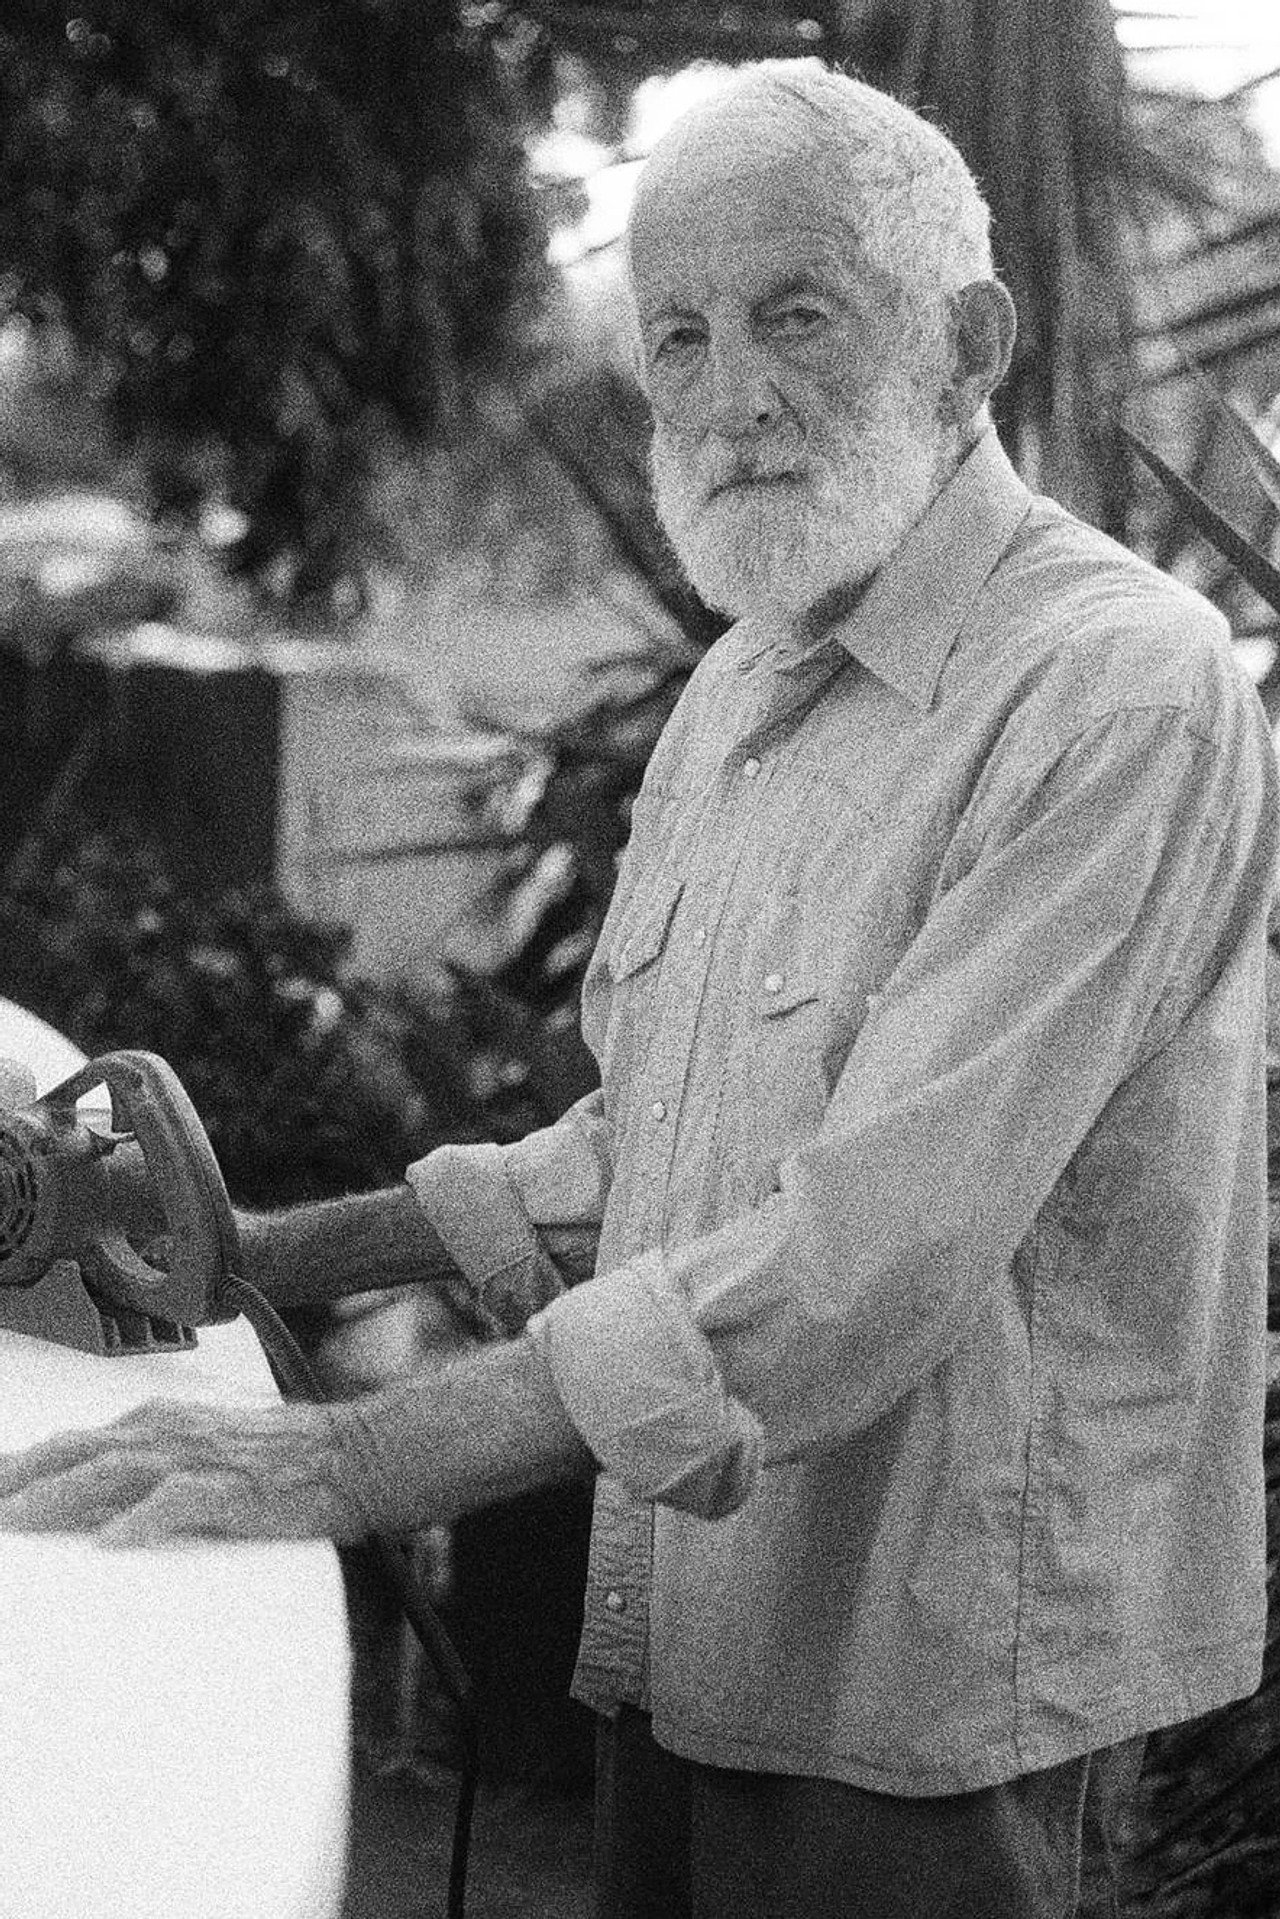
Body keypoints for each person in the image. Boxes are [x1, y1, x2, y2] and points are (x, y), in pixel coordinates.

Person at [0, 58, 1276, 1919]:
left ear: (968, 343)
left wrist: (346, 1462)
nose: (730, 391)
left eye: (797, 315)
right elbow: (661, 1133)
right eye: (679, 335)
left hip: (931, 1682)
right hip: (687, 1623)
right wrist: (272, 1251)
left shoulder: (1123, 686)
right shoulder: (744, 679)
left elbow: (869, 1252)